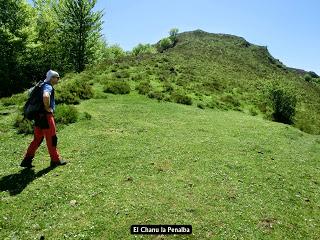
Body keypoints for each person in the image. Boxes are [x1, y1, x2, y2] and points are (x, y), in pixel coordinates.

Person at [20, 70, 67, 168]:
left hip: (38, 116)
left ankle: (27, 160)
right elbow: (46, 96)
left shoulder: (41, 85)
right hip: (46, 117)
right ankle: (55, 160)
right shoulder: (48, 86)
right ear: (52, 78)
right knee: (52, 138)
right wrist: (47, 108)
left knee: (37, 139)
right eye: (57, 77)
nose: (58, 79)